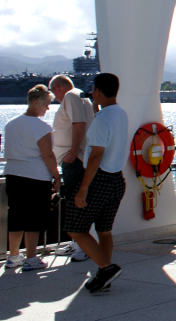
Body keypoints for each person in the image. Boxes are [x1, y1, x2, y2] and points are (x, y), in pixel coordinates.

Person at [64, 73, 129, 293]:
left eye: (93, 90)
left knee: (75, 227)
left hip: (98, 179)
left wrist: (83, 188)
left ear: (98, 91)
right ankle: (105, 275)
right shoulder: (120, 114)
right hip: (116, 179)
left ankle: (107, 267)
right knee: (104, 230)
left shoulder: (102, 119)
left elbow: (95, 156)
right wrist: (94, 109)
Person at [3, 85, 61, 272]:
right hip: (35, 176)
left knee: (17, 215)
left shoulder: (10, 124)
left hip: (13, 174)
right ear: (36, 103)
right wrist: (56, 175)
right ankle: (30, 257)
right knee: (34, 217)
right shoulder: (41, 127)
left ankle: (13, 256)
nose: (48, 108)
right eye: (46, 104)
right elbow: (48, 155)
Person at [48, 74, 95, 262]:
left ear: (58, 88)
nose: (55, 97)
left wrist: (72, 152)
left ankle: (81, 246)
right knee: (78, 201)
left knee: (76, 202)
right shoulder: (81, 97)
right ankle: (78, 243)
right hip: (78, 159)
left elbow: (79, 124)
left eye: (54, 92)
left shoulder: (71, 96)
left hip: (75, 160)